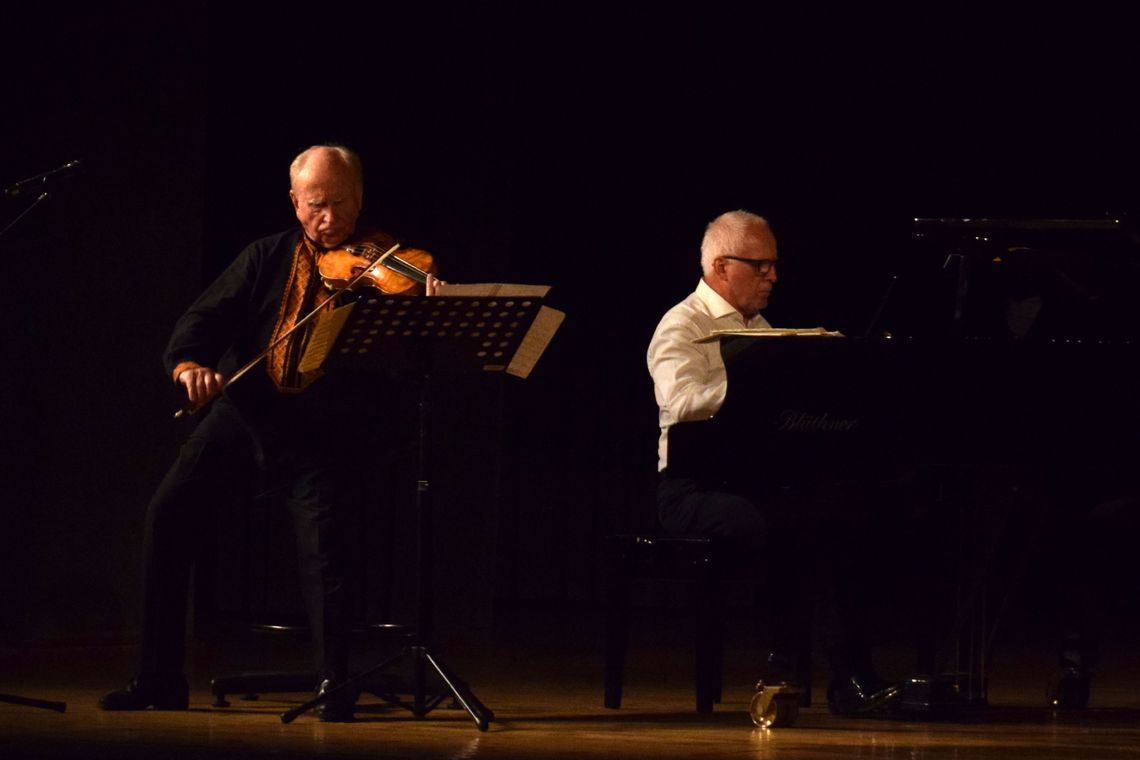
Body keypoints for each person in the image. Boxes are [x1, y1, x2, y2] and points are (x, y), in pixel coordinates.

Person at [99, 144, 442, 722]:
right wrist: (190, 366)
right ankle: (158, 676)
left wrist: (426, 309)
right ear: (293, 201)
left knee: (325, 552)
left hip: (326, 431)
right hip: (247, 413)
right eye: (314, 206)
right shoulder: (264, 257)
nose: (327, 219)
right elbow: (199, 324)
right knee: (168, 514)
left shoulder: (387, 264)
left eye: (339, 204)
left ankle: (336, 683)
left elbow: (405, 359)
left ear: (359, 199)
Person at [647, 209, 897, 715]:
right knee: (776, 524)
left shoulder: (759, 328)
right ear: (721, 266)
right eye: (760, 267)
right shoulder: (682, 323)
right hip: (691, 487)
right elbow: (681, 399)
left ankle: (834, 667)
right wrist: (748, 389)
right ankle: (805, 666)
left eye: (773, 266)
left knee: (844, 514)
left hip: (752, 477)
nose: (773, 277)